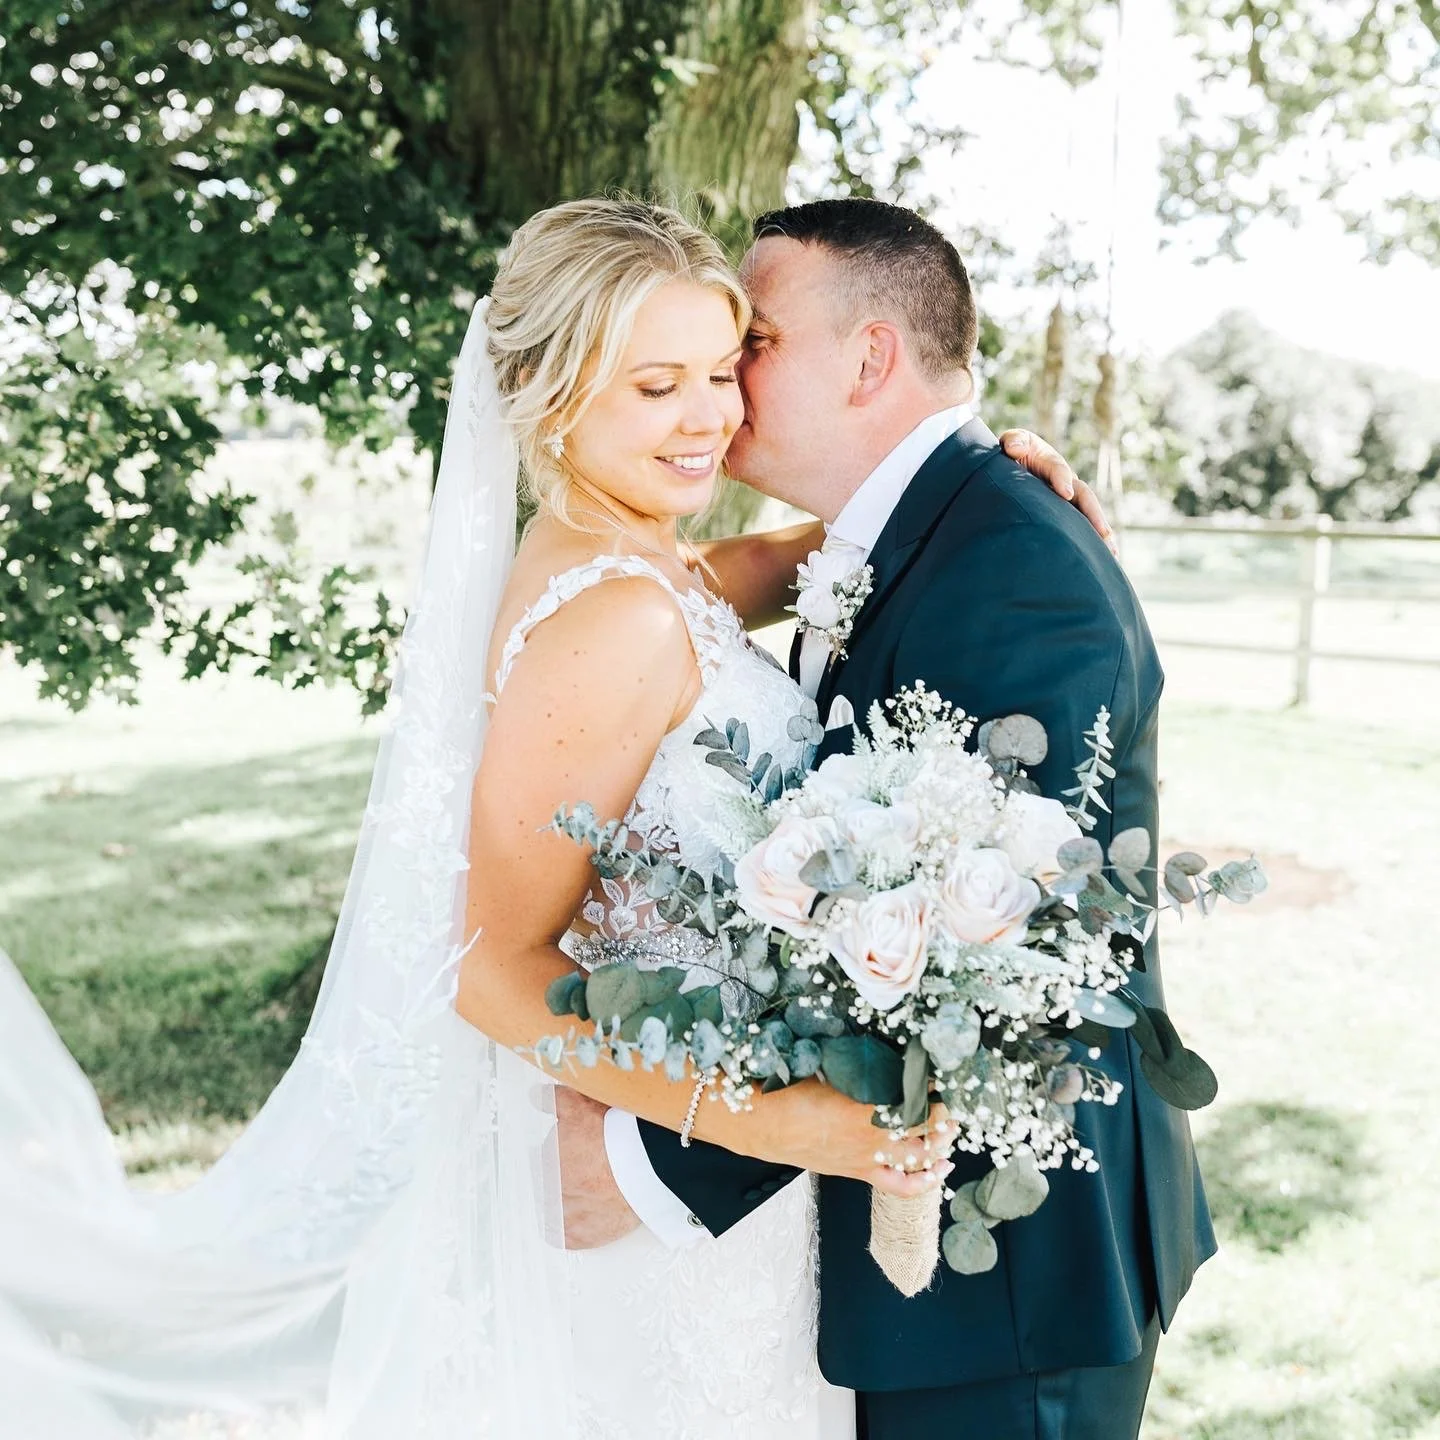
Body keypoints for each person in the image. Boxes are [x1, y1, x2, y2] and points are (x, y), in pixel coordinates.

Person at [0, 196, 1104, 1437]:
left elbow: (830, 554)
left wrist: (977, 466)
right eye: (654, 387)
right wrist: (776, 1122)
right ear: (548, 393)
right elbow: (486, 971)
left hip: (709, 1190)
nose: (711, 416)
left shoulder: (644, 565)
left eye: (722, 368)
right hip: (660, 1195)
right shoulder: (614, 616)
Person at [570, 198, 1214, 1440]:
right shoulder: (910, 531)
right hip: (912, 1243)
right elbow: (610, 604)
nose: (724, 379)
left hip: (1011, 1269)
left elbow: (951, 943)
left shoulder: (1012, 564)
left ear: (869, 358)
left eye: (753, 341)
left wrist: (660, 1168)